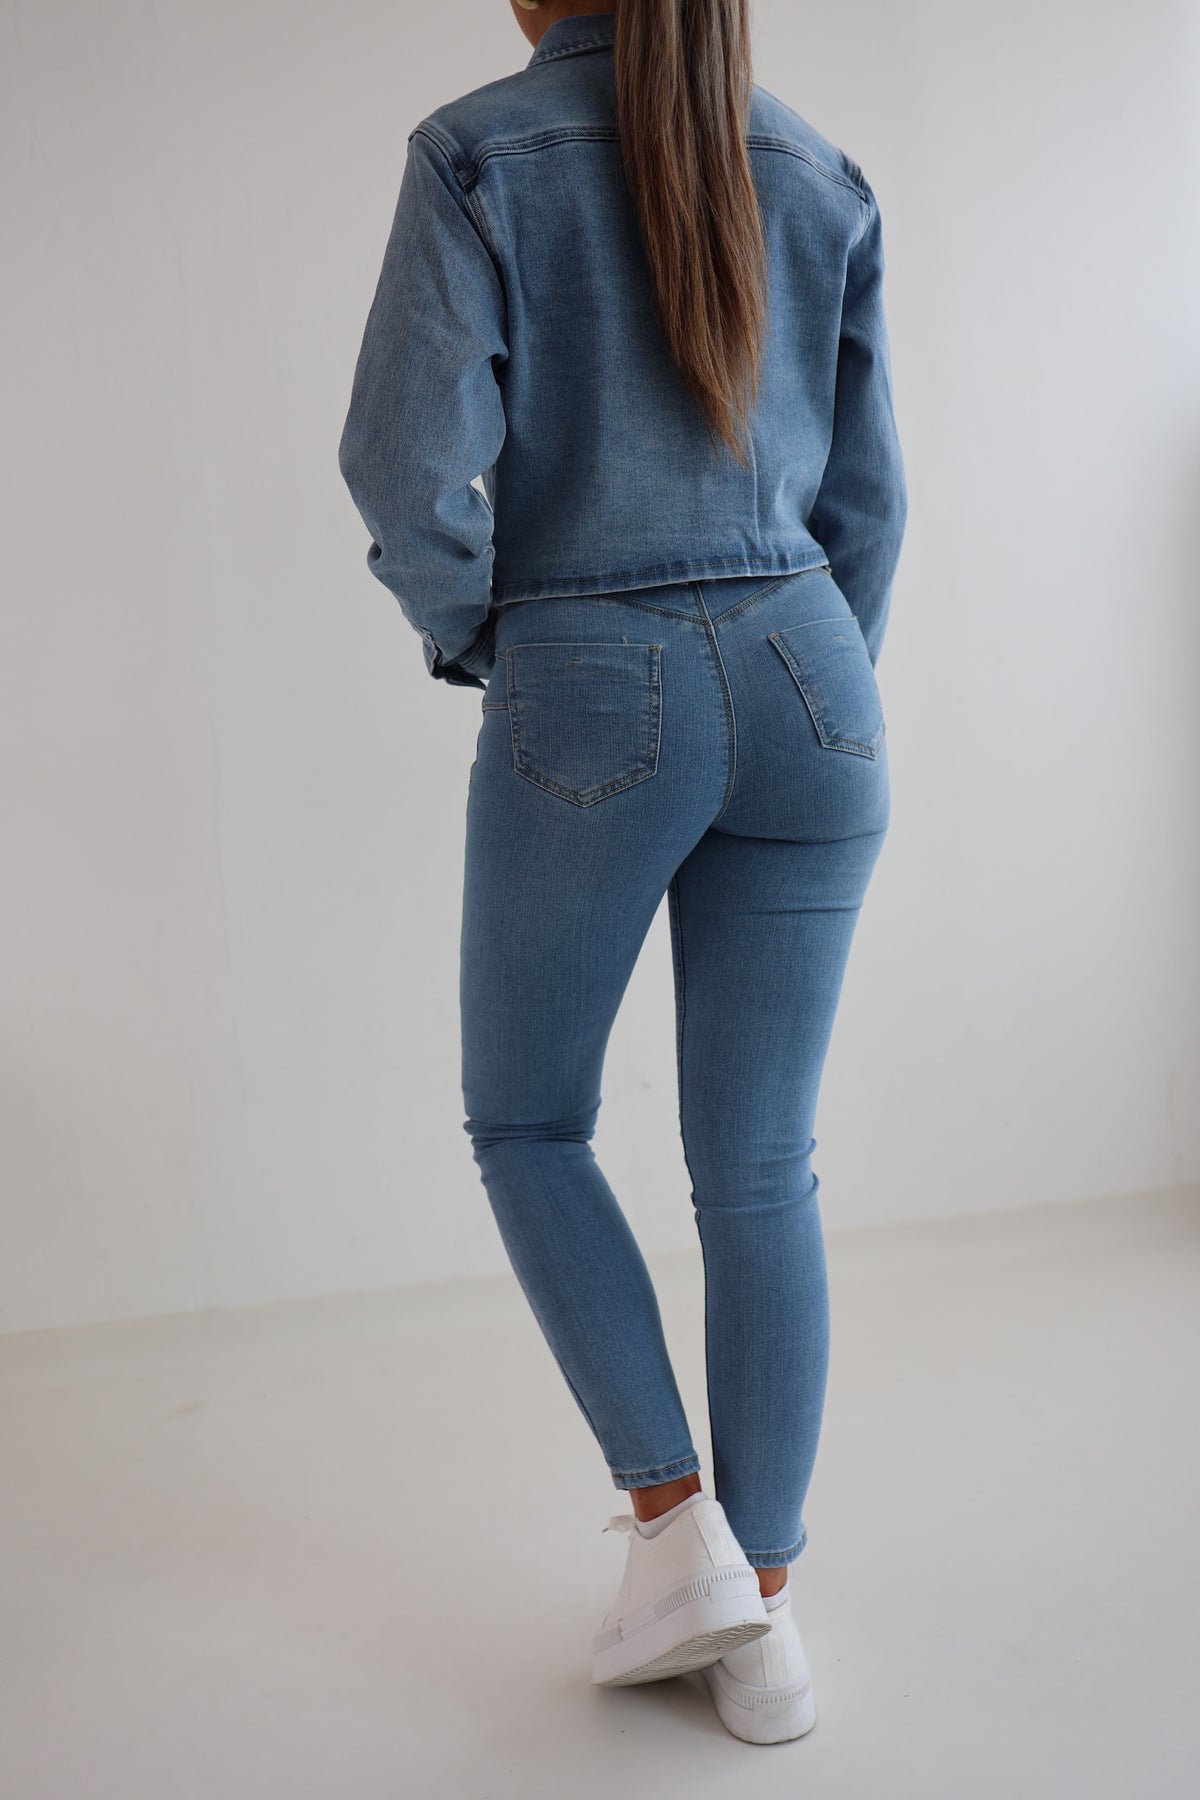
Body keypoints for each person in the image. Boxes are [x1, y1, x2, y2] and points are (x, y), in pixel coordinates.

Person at [337, 0, 906, 1745]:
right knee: (763, 1165)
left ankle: (676, 1532)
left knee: (529, 1123)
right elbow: (870, 503)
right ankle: (767, 1617)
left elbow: (402, 464)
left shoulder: (476, 152)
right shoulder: (818, 166)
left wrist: (492, 639)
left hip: (591, 666)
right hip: (816, 673)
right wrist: (814, 688)